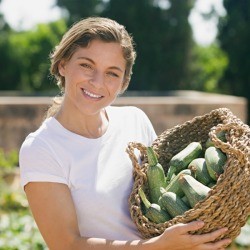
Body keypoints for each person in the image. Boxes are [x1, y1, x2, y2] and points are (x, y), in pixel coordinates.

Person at [19, 17, 232, 250]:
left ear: (123, 82)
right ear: (63, 64)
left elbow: (163, 194)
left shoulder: (134, 120)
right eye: (86, 65)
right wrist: (156, 246)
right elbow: (66, 244)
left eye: (112, 73)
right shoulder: (42, 148)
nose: (97, 82)